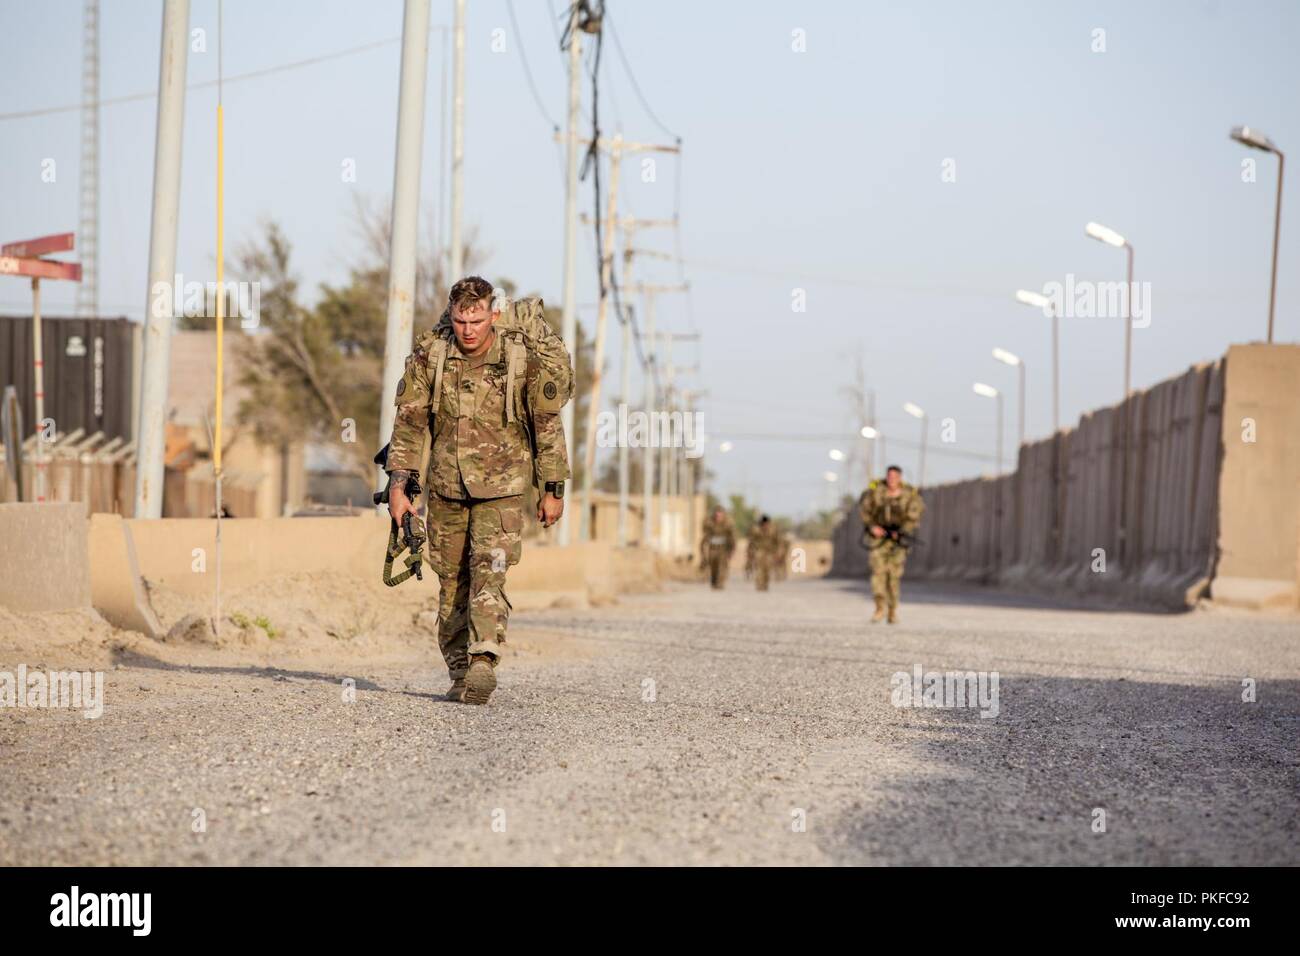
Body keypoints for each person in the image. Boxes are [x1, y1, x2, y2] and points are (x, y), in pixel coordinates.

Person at [386, 277, 571, 704]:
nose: (468, 330)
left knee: (490, 571)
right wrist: (400, 486)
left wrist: (553, 487)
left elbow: (546, 423)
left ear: (494, 314)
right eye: (460, 320)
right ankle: (459, 671)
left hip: (503, 487)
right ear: (451, 316)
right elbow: (410, 424)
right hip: (446, 486)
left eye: (477, 319)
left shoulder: (518, 356)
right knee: (451, 583)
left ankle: (484, 657)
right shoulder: (431, 354)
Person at [858, 465, 925, 624]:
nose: (892, 480)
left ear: (900, 478)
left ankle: (892, 610)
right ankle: (879, 608)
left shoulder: (909, 494)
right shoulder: (876, 492)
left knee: (894, 576)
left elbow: (914, 516)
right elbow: (865, 511)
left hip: (898, 540)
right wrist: (872, 527)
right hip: (878, 539)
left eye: (895, 477)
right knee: (878, 573)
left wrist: (902, 531)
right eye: (889, 477)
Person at [699, 506, 736, 590]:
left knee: (722, 566)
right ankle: (714, 581)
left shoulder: (728, 524)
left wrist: (732, 549)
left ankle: (720, 583)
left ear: (723, 515)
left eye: (720, 515)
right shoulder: (710, 523)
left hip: (723, 549)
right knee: (713, 566)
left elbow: (732, 537)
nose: (718, 517)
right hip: (713, 548)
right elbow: (705, 532)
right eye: (717, 515)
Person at [746, 514, 781, 591]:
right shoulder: (756, 530)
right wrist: (749, 552)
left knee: (767, 569)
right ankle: (759, 585)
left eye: (767, 523)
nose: (765, 525)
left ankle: (765, 584)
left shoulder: (773, 530)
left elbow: (777, 542)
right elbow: (751, 542)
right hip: (759, 552)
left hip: (769, 553)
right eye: (763, 523)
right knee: (759, 569)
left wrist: (777, 553)